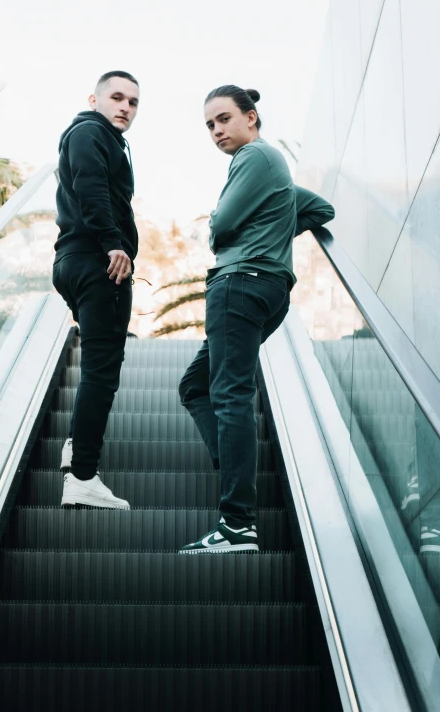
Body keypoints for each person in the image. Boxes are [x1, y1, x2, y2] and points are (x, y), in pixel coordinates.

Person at [178, 85, 335, 553]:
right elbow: (320, 209)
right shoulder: (275, 171)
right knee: (196, 386)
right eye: (209, 125)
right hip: (267, 289)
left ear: (251, 117)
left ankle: (237, 524)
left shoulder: (253, 157)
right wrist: (272, 225)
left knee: (229, 395)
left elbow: (220, 227)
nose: (217, 131)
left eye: (224, 119)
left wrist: (224, 223)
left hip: (239, 284)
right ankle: (235, 478)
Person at [53, 70, 139, 509]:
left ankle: (74, 445)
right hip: (96, 262)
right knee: (101, 373)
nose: (125, 107)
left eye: (133, 102)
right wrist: (113, 244)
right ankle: (83, 476)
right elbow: (90, 188)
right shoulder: (91, 132)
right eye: (117, 97)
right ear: (95, 99)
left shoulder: (90, 136)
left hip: (73, 261)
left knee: (96, 367)